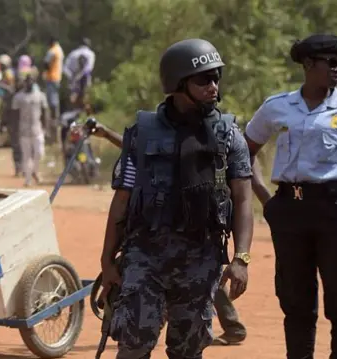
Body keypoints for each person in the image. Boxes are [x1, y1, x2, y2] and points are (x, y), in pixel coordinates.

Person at [101, 38, 253, 359]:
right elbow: (123, 198)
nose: (213, 86)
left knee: (188, 350)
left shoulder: (228, 134)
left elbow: (242, 199)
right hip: (145, 256)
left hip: (201, 259)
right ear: (177, 83)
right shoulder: (142, 133)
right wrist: (107, 260)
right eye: (203, 80)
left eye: (216, 77)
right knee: (134, 345)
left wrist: (241, 258)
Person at [245, 34, 337, 359]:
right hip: (289, 211)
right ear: (308, 64)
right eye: (331, 62)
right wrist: (266, 200)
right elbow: (245, 152)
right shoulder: (276, 106)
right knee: (296, 303)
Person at [12, 70, 48, 186]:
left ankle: (35, 171)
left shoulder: (40, 96)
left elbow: (45, 112)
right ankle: (28, 179)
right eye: (27, 81)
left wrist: (46, 127)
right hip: (24, 130)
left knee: (39, 153)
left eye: (31, 80)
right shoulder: (19, 97)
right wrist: (14, 130)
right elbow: (15, 115)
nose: (29, 83)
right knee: (26, 156)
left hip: (37, 129)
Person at [42, 36, 64, 145]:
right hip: (57, 78)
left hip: (51, 78)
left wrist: (44, 72)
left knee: (51, 106)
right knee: (55, 105)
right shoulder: (60, 50)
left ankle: (53, 136)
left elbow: (46, 63)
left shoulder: (52, 51)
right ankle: (55, 135)